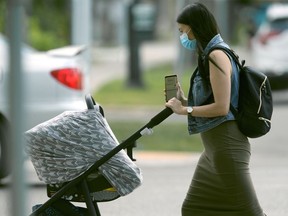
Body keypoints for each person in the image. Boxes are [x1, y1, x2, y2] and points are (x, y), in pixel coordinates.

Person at [165, 3, 266, 216]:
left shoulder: (216, 55)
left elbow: (221, 107)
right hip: (213, 151)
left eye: (183, 31)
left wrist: (185, 110)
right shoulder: (209, 53)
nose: (182, 36)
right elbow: (214, 98)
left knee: (251, 212)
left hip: (227, 148)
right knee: (195, 208)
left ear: (194, 28)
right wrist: (184, 99)